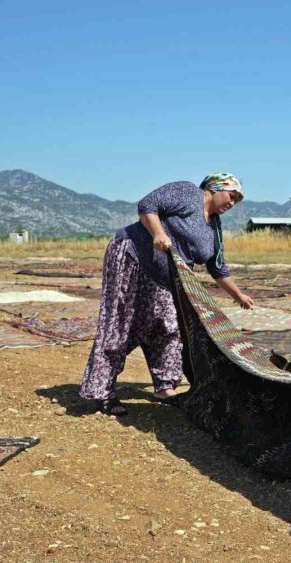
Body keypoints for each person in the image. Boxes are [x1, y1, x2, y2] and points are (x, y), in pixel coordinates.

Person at [80, 172, 255, 415]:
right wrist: (158, 234)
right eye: (231, 195)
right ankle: (100, 391)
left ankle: (165, 386)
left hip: (165, 278)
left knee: (169, 327)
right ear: (214, 189)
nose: (232, 202)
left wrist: (239, 296)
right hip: (132, 257)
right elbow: (147, 205)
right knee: (120, 323)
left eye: (237, 199)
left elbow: (217, 266)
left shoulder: (214, 226)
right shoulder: (187, 192)